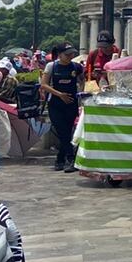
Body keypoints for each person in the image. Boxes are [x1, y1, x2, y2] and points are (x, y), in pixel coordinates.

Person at [40, 43, 84, 172]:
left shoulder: (76, 67)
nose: (70, 56)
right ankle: (71, 158)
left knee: (67, 131)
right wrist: (60, 95)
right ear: (59, 55)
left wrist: (80, 93)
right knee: (62, 131)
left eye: (72, 54)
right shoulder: (51, 66)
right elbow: (44, 84)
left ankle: (60, 159)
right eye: (67, 54)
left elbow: (82, 80)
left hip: (71, 103)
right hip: (55, 103)